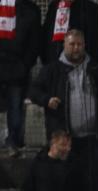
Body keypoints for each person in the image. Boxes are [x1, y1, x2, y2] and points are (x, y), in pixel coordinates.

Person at [29, 29, 98, 191]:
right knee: (65, 179)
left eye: (79, 44)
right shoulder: (52, 70)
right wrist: (47, 100)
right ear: (64, 45)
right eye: (72, 44)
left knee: (94, 178)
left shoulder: (95, 68)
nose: (76, 48)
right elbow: (34, 90)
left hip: (92, 138)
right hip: (66, 139)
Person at [0, 0, 41, 158]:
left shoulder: (29, 10)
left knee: (15, 107)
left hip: (17, 68)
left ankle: (13, 142)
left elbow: (34, 41)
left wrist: (25, 65)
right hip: (12, 65)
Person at [41, 0, 98, 65]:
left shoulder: (92, 9)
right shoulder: (54, 7)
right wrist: (48, 65)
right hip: (56, 67)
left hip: (85, 67)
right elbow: (46, 37)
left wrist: (93, 66)